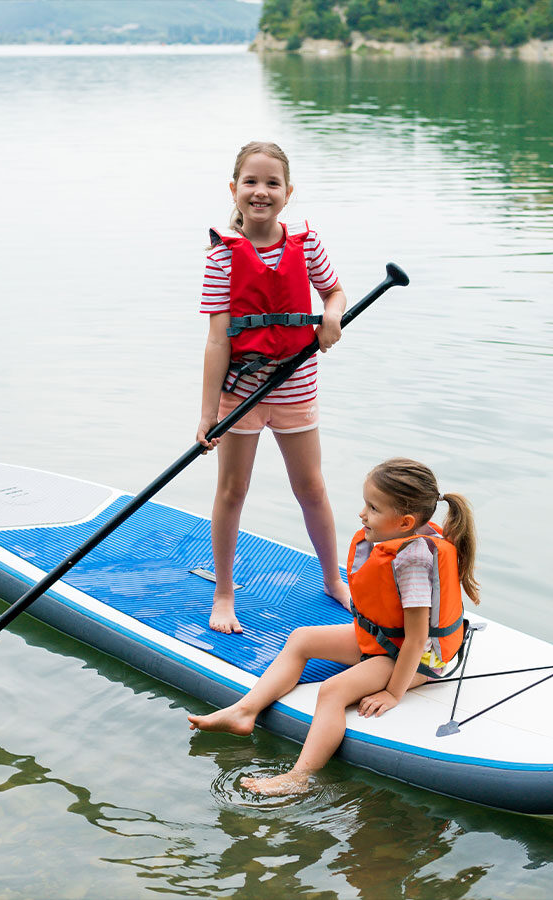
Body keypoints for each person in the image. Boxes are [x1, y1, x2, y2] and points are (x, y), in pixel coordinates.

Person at [187, 458, 480, 795]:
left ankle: (299, 777)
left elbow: (415, 640)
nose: (362, 514)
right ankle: (244, 711)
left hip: (417, 659)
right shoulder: (404, 539)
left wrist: (392, 692)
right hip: (386, 642)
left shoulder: (413, 561)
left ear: (405, 522)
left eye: (372, 508)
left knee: (332, 692)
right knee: (302, 639)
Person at [197, 140, 350, 634]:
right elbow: (218, 339)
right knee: (231, 491)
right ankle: (224, 592)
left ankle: (333, 579)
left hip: (295, 383)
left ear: (288, 192)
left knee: (311, 486)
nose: (260, 192)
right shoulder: (222, 257)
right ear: (234, 189)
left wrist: (331, 317)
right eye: (251, 182)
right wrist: (207, 414)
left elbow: (334, 291)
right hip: (241, 390)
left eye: (271, 184)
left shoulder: (306, 244)